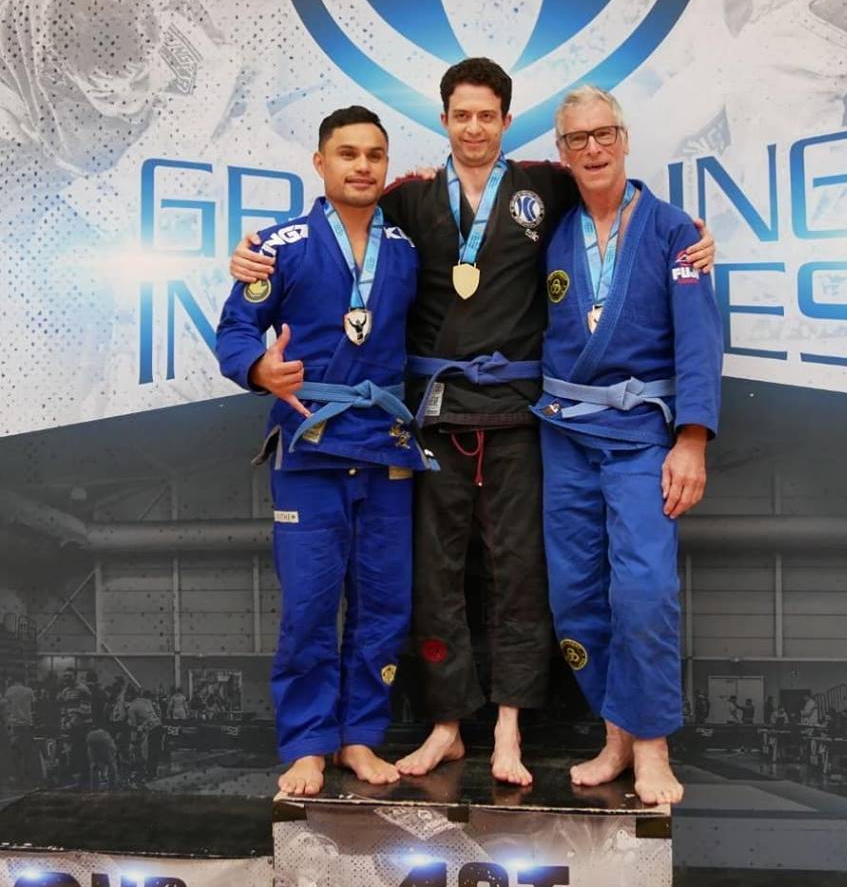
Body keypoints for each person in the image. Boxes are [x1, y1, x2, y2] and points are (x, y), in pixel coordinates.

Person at [229, 58, 718, 785]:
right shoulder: (409, 201)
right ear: (444, 120)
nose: (474, 127)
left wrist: (687, 238)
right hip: (428, 417)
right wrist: (255, 256)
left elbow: (616, 197)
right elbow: (337, 218)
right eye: (462, 115)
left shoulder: (547, 187)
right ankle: (447, 724)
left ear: (507, 123)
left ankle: (514, 730)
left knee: (524, 574)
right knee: (433, 579)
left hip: (523, 415)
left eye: (487, 115)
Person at [216, 105, 434, 798]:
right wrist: (259, 370)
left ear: (387, 165)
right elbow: (234, 330)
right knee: (310, 605)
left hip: (388, 450)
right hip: (310, 448)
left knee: (384, 606)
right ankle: (309, 743)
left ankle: (360, 738)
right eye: (347, 153)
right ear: (320, 162)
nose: (361, 165)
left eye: (374, 154)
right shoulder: (278, 246)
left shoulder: (407, 246)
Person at [534, 85, 722, 805]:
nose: (592, 148)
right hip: (564, 432)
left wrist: (692, 440)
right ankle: (614, 734)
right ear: (561, 152)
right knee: (575, 595)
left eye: (603, 133)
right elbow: (476, 192)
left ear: (624, 137)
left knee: (642, 592)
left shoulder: (676, 232)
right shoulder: (549, 227)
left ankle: (651, 744)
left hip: (642, 433)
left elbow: (699, 343)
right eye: (576, 139)